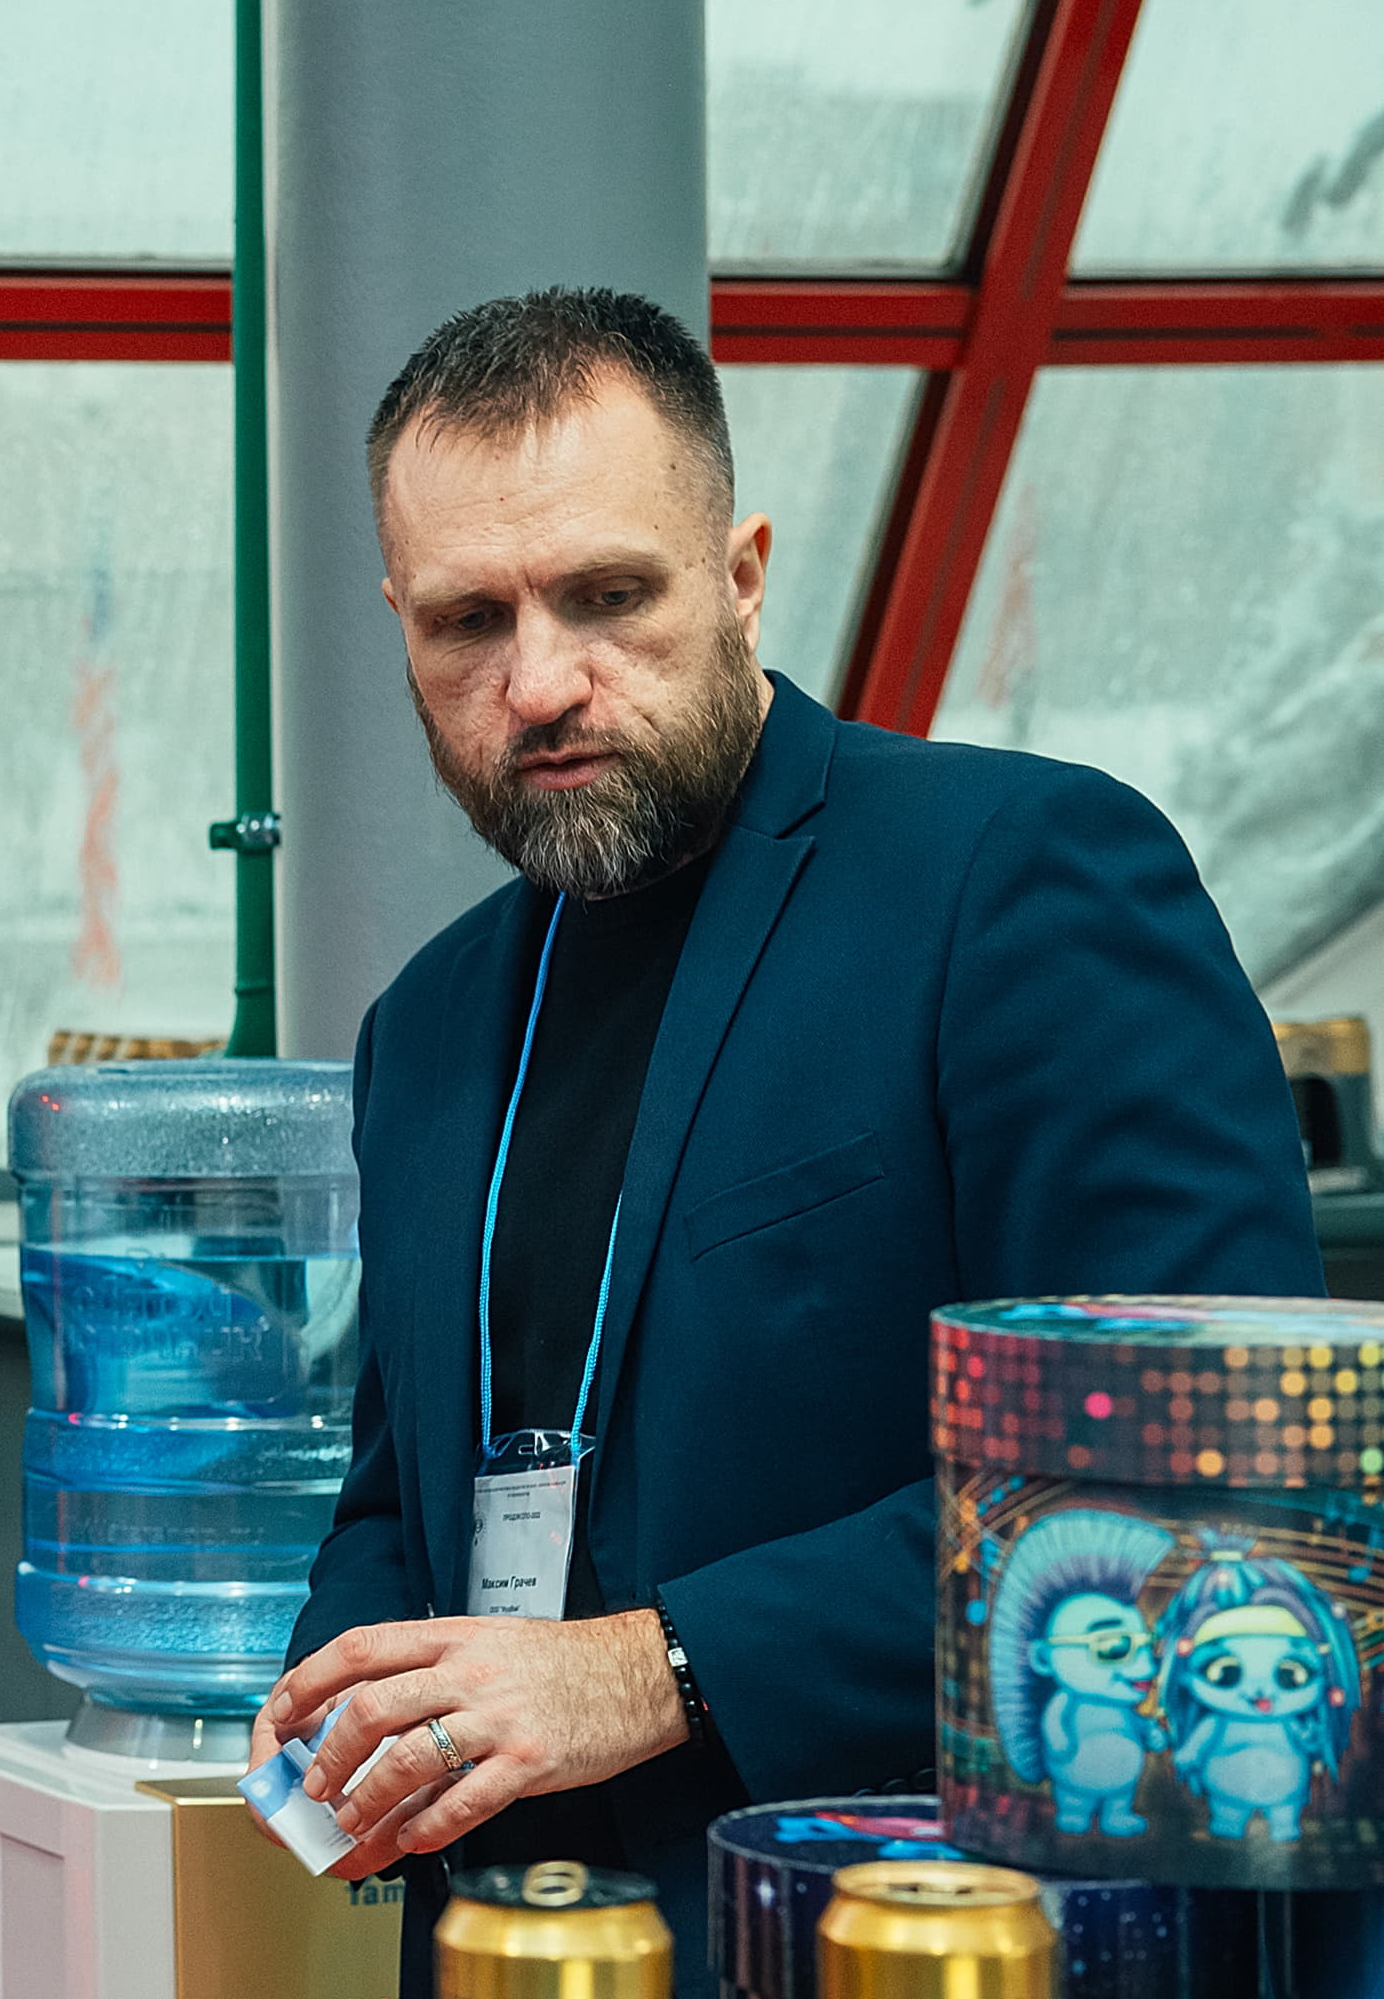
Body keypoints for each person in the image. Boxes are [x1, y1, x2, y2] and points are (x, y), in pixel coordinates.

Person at [249, 289, 1322, 1991]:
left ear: (741, 574)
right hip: (523, 1948)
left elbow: (1209, 1498)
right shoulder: (425, 1030)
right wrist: (342, 1688)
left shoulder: (1015, 882)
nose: (540, 681)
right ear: (399, 628)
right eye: (468, 621)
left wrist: (655, 1665)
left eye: (609, 596)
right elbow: (409, 1488)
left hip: (923, 1942)